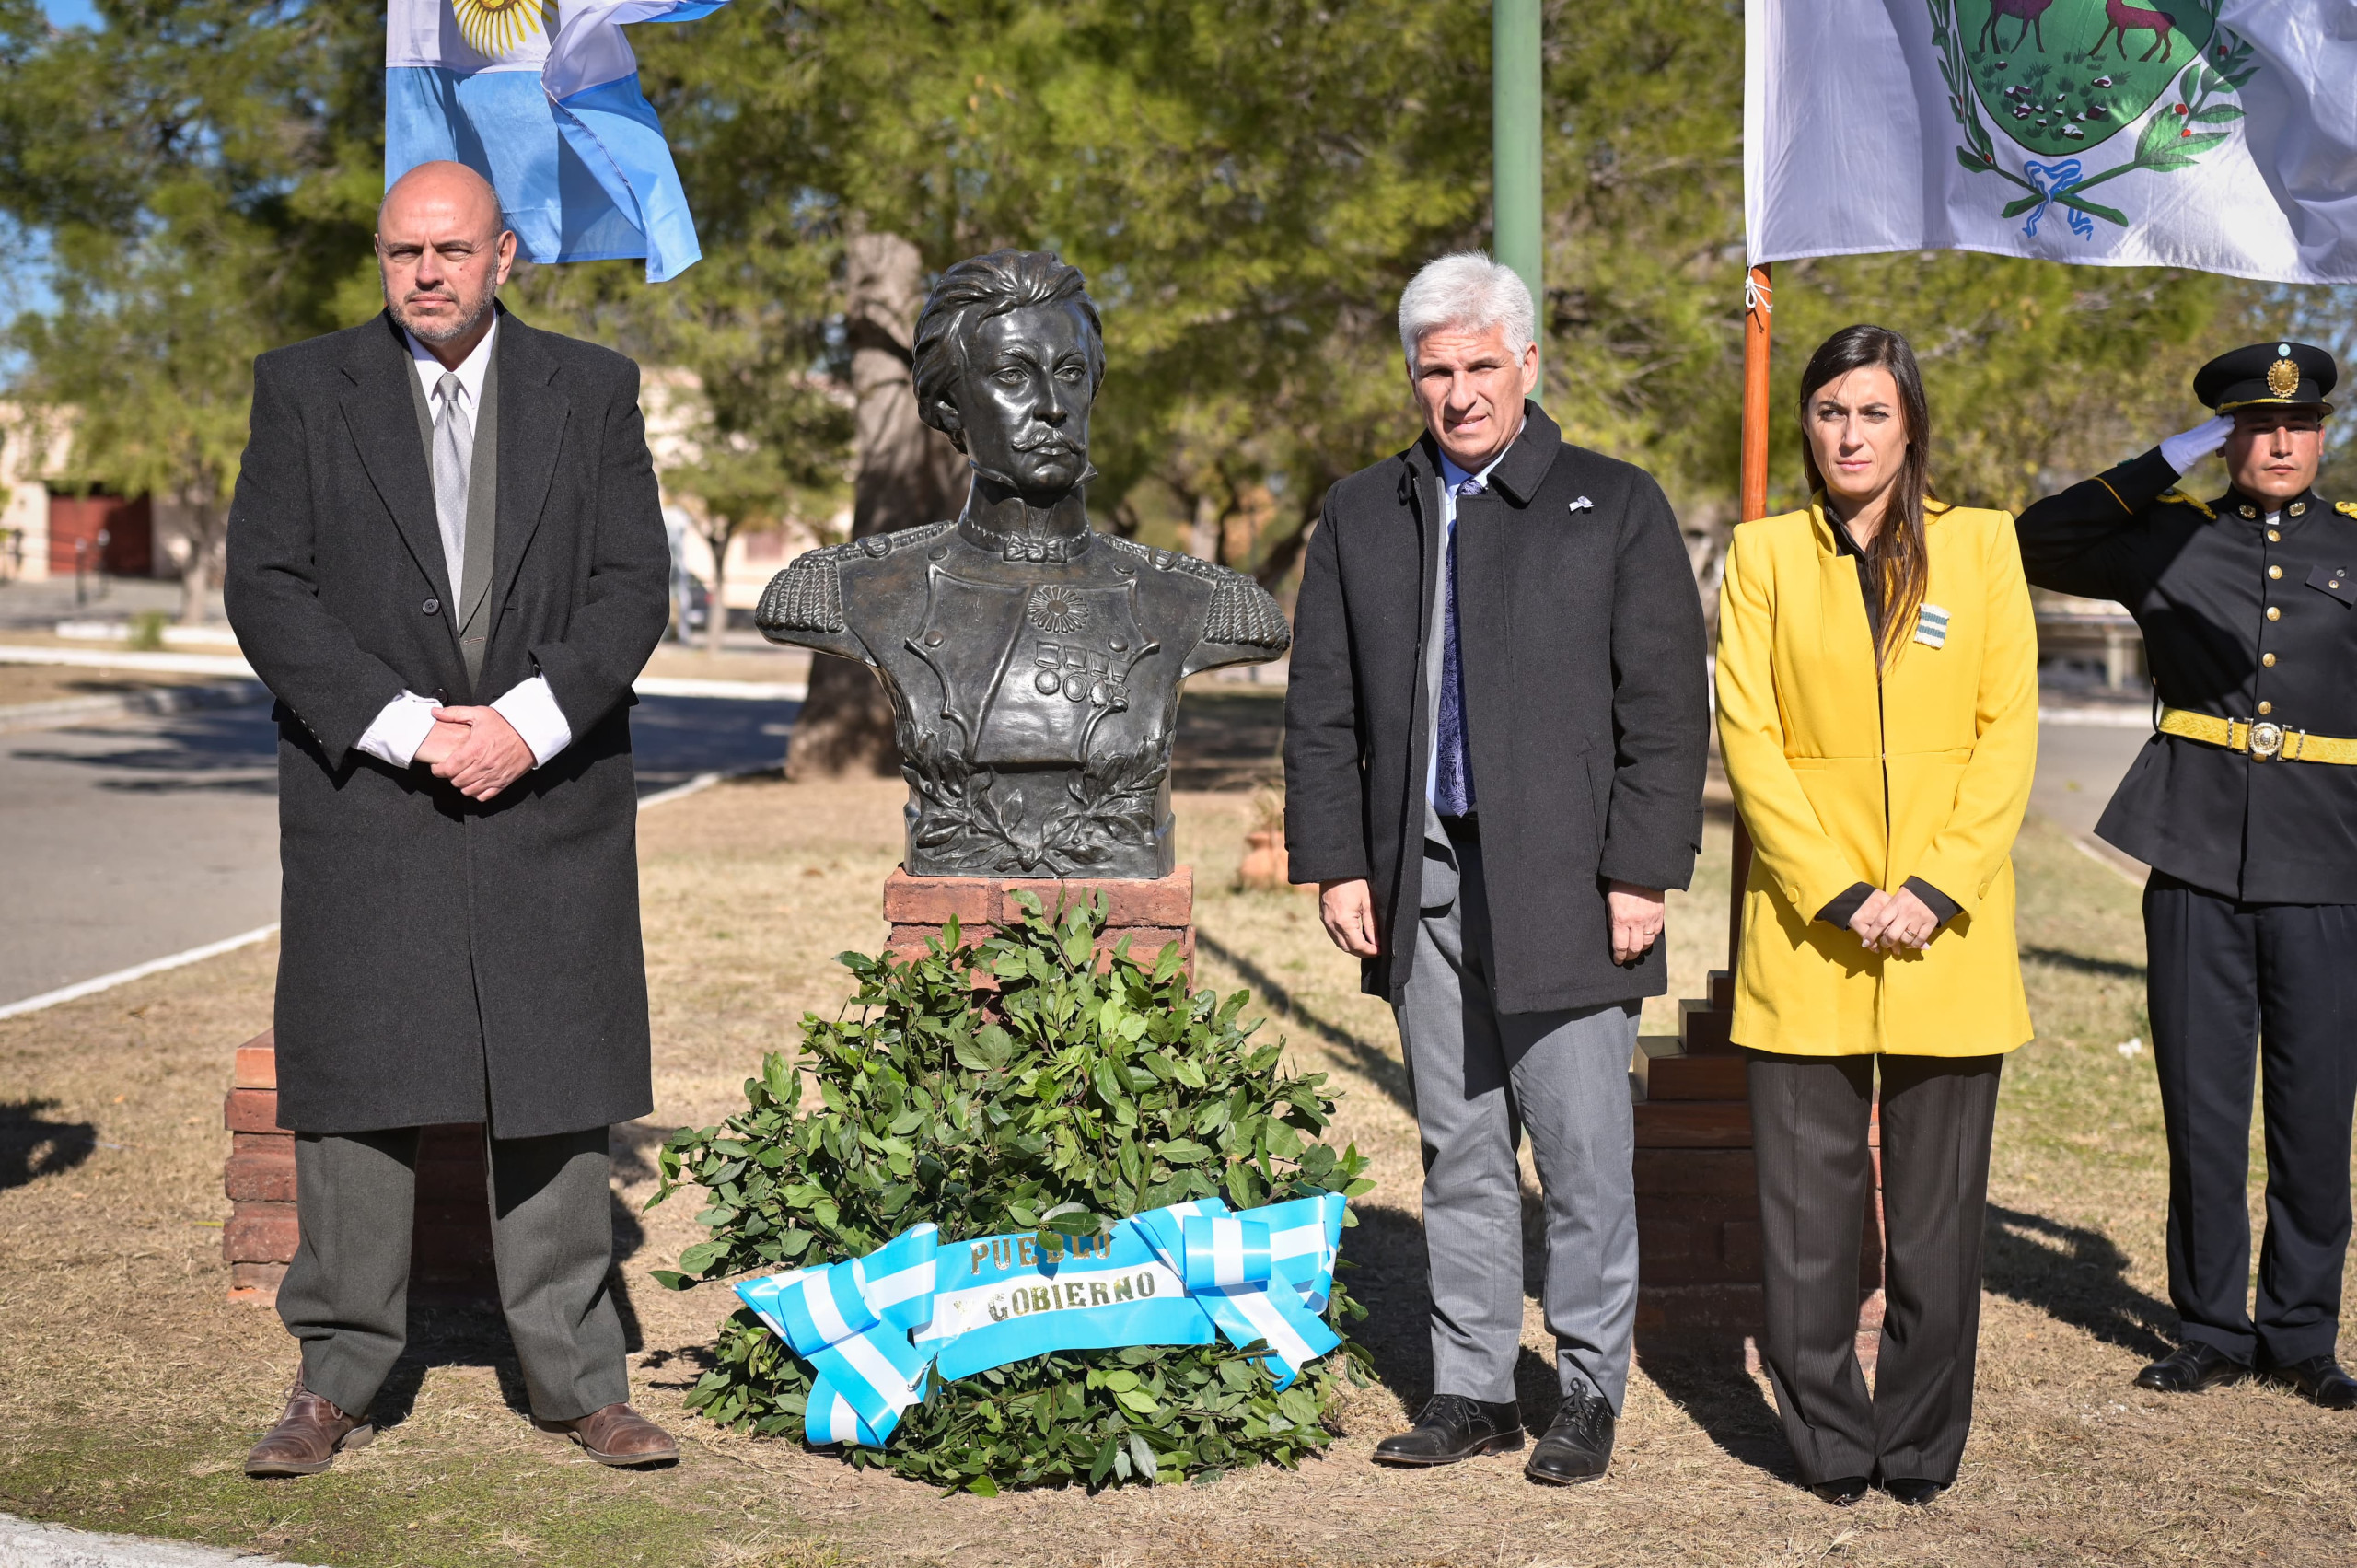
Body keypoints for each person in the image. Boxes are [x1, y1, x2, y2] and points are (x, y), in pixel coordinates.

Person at [224, 161, 677, 1475]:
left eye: (451, 250)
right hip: (370, 787)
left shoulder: (593, 391)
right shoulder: (303, 388)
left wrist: (525, 723)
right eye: (401, 251)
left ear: (506, 254)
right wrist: (409, 724)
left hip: (550, 789)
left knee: (552, 1077)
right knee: (359, 1082)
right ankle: (337, 1374)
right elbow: (270, 589)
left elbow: (630, 584)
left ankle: (580, 1377)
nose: (425, 272)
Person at [1283, 252, 1710, 1485]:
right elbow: (1323, 708)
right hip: (1416, 883)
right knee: (1458, 1149)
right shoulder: (1365, 513)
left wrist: (1642, 868)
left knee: (1581, 1154)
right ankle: (1470, 1385)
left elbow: (1665, 711)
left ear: (1529, 361)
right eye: (1436, 370)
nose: (1460, 391)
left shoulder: (1615, 504)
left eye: (1482, 364)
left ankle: (1584, 1389)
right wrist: (1335, 860)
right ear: (1412, 376)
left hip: (1572, 884)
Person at [1715, 324, 2038, 1508]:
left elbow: (2008, 734)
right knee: (1806, 1224)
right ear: (1805, 425)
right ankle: (1827, 1440)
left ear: (1911, 426)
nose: (1848, 434)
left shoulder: (1985, 547)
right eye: (1828, 411)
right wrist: (1841, 889)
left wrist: (1936, 885)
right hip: (1810, 929)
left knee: (1940, 1223)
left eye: (1872, 412)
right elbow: (1748, 738)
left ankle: (1919, 1438)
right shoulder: (1759, 558)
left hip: (1949, 932)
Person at [2015, 340, 2357, 1411]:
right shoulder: (2166, 538)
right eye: (2254, 425)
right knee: (2201, 1106)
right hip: (2195, 856)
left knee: (2314, 1110)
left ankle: (2301, 1331)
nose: (2280, 442)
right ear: (2225, 435)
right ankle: (2209, 1324)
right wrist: (2163, 459)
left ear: (2324, 435)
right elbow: (2036, 538)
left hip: (2327, 862)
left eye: (2298, 425)